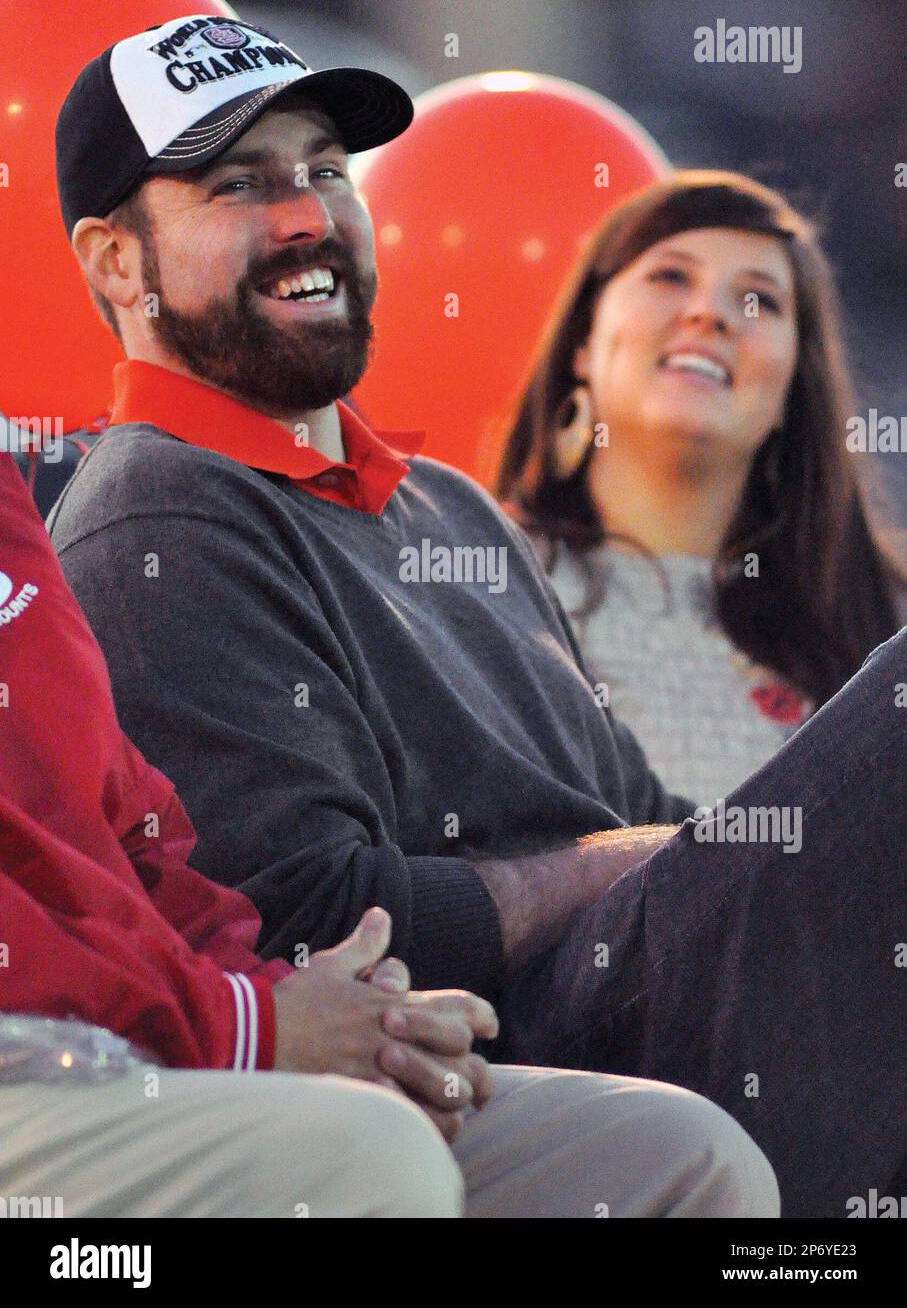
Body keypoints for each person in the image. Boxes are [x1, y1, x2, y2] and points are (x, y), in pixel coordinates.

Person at [48, 14, 906, 1218]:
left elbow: (648, 819)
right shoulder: (156, 519)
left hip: (667, 984)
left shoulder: (441, 500)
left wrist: (715, 857)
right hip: (529, 1051)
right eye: (241, 183)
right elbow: (308, 933)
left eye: (326, 173)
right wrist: (636, 866)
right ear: (116, 264)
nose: (306, 215)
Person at [0, 448, 775, 1220]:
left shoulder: (455, 506)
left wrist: (302, 1005)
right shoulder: (154, 504)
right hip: (71, 1062)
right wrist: (251, 1025)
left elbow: (136, 840)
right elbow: (312, 904)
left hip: (173, 1032)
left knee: (688, 1157)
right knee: (379, 1156)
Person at [496, 170, 907, 803]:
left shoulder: (884, 624)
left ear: (792, 391)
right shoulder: (481, 585)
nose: (709, 313)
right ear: (584, 339)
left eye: (759, 300)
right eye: (670, 276)